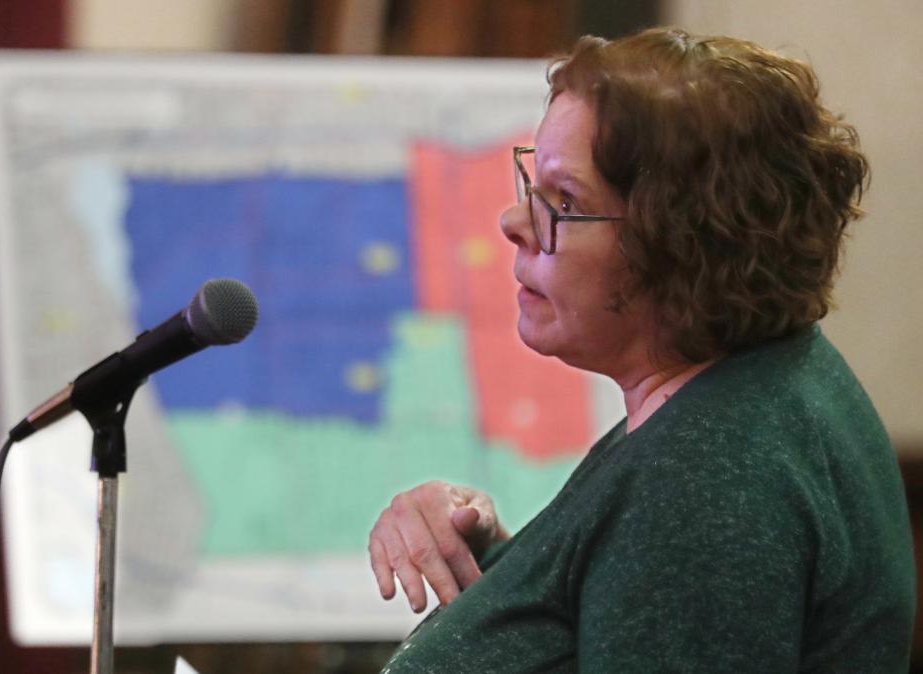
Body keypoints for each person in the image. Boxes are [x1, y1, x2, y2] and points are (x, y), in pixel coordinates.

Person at [368, 27, 916, 672]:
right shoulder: (760, 387)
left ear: (682, 245)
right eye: (531, 183)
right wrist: (497, 561)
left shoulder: (712, 478)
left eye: (563, 201)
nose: (514, 222)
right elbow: (626, 611)